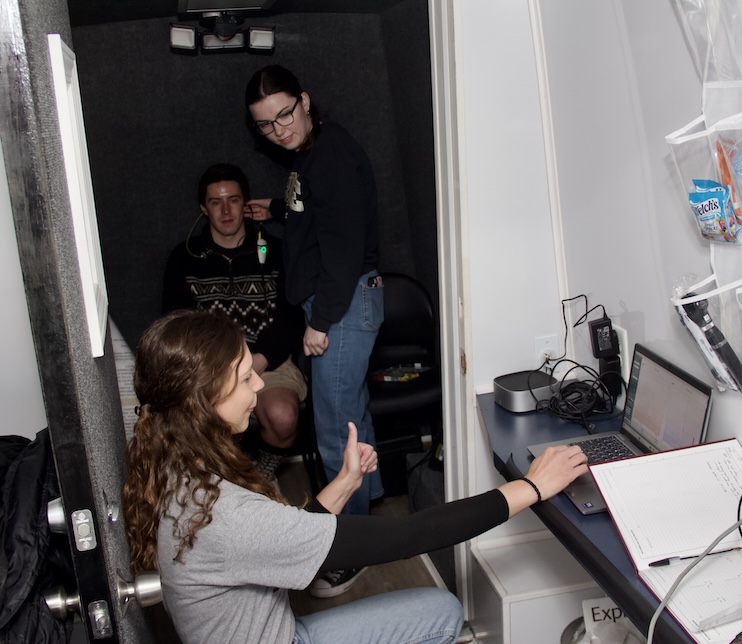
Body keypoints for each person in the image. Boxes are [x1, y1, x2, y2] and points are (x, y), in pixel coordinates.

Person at [123, 309, 589, 644]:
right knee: (440, 614)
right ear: (202, 400)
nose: (260, 386)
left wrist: (345, 482)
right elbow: (406, 536)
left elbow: (277, 543)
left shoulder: (176, 465)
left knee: (436, 610)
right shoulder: (226, 515)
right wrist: (530, 487)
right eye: (245, 379)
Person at [242, 65, 384, 595]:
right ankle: (372, 524)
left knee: (334, 431)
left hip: (340, 306)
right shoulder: (312, 154)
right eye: (266, 126)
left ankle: (353, 545)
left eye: (285, 115)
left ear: (304, 101)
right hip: (340, 302)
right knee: (353, 422)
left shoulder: (330, 158)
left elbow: (344, 250)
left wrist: (320, 323)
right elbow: (322, 216)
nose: (280, 130)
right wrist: (277, 208)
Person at [162, 163, 306, 479]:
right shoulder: (184, 259)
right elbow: (176, 326)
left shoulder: (280, 252)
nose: (226, 210)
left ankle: (261, 477)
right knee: (199, 424)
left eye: (234, 200)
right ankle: (224, 486)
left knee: (282, 417)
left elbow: (293, 317)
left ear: (247, 204)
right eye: (216, 202)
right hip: (209, 367)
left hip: (267, 361)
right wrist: (219, 370)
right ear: (204, 208)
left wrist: (255, 361)